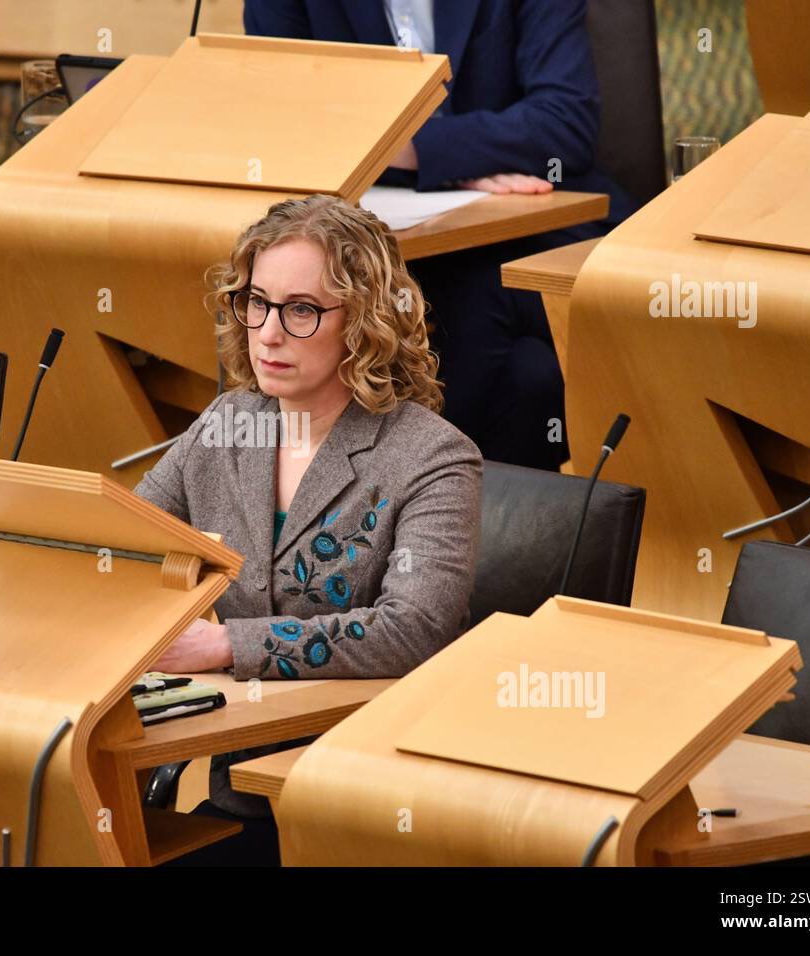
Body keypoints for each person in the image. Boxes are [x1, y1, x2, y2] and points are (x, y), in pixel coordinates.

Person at [135, 194, 481, 863]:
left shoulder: (431, 457)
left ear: (366, 321)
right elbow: (128, 544)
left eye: (301, 311)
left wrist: (224, 644)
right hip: (236, 798)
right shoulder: (229, 425)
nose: (267, 332)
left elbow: (415, 631)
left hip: (362, 811)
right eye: (256, 302)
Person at [244, 0, 637, 470]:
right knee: (532, 376)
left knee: (477, 295)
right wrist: (463, 160)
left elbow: (565, 122)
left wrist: (432, 152)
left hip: (548, 226)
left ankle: (396, 492)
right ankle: (439, 515)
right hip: (393, 244)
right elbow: (287, 124)